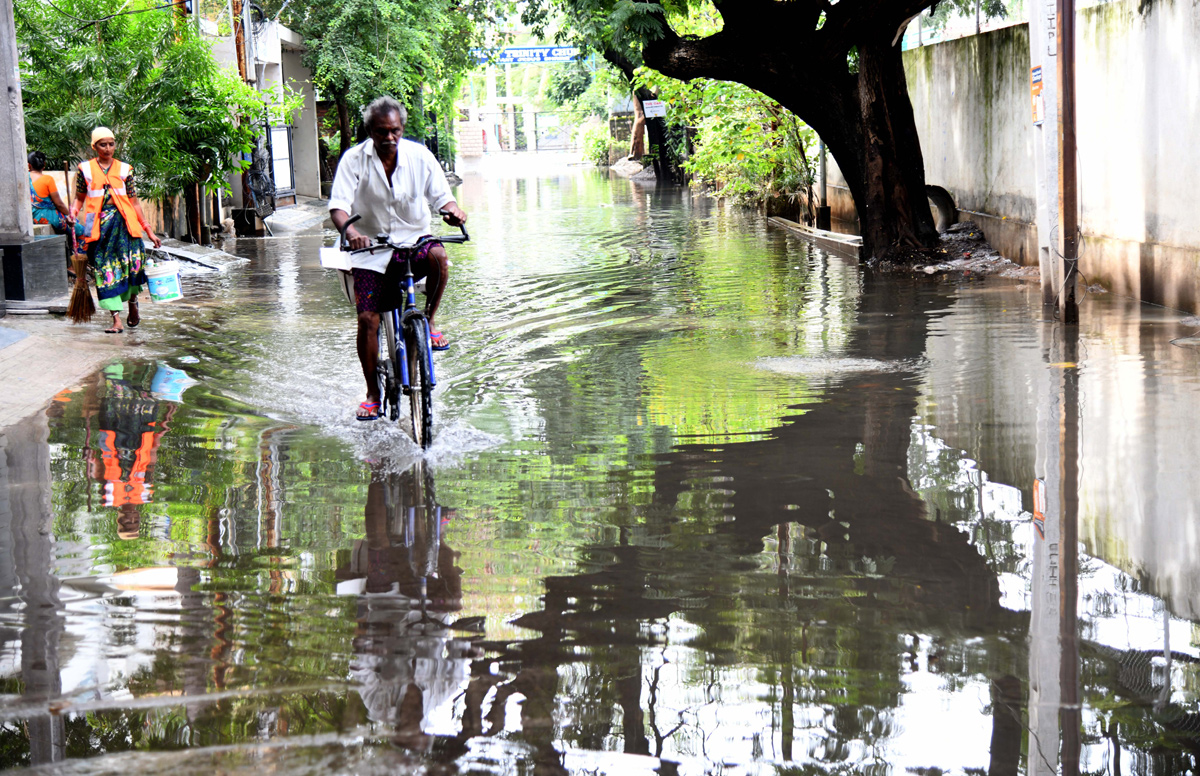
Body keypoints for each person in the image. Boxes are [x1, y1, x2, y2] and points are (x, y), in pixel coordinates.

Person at [328, 96, 468, 420]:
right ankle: (372, 394)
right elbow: (338, 206)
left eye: (395, 131)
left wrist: (452, 212)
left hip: (414, 240)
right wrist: (351, 233)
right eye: (381, 132)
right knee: (367, 320)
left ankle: (430, 321)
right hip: (370, 250)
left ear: (402, 128)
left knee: (439, 258)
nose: (389, 137)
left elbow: (441, 198)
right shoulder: (353, 160)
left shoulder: (420, 156)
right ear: (370, 132)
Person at [68, 127, 163, 334]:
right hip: (99, 229)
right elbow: (79, 198)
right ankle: (116, 320)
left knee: (131, 267)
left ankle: (133, 303)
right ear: (94, 147)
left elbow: (135, 203)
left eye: (111, 144)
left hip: (127, 227)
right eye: (103, 144)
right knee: (105, 270)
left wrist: (148, 230)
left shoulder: (124, 170)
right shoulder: (85, 170)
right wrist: (73, 212)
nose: (108, 148)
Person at [27, 151, 83, 239]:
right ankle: (79, 252)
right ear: (44, 164)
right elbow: (59, 204)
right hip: (45, 216)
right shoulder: (47, 179)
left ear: (28, 165)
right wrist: (70, 215)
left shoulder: (24, 178)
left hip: (29, 216)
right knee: (81, 230)